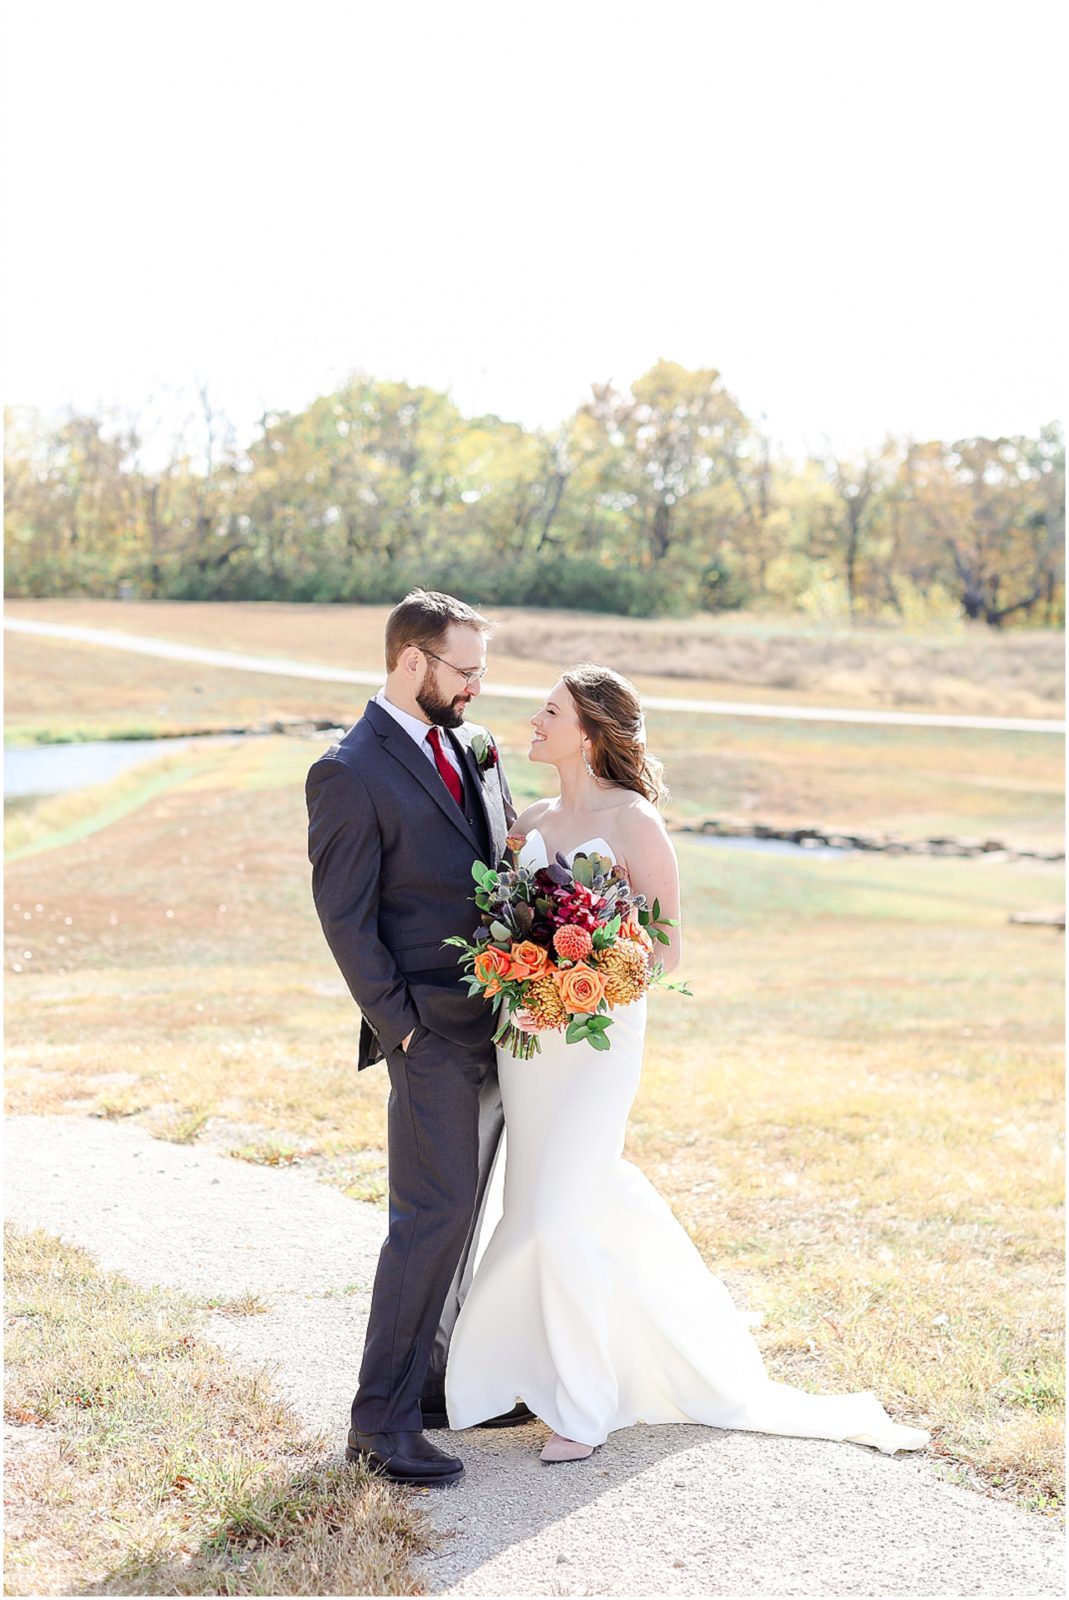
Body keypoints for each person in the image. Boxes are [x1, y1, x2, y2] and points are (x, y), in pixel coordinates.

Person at [445, 662, 932, 1464]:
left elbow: (665, 949)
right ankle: (509, 1374)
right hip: (528, 1035)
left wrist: (588, 974)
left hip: (598, 1037)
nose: (532, 722)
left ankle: (583, 1406)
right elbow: (501, 917)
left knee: (561, 1216)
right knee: (537, 1206)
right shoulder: (526, 819)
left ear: (591, 730)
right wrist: (518, 970)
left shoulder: (635, 823)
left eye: (548, 711)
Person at [305, 589, 532, 1489]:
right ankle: (379, 1422)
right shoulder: (348, 770)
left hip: (500, 1022)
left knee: (466, 1216)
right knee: (426, 1221)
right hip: (427, 1034)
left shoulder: (474, 747)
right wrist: (400, 1029)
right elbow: (345, 920)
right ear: (412, 662)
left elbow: (504, 862)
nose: (477, 688)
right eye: (465, 670)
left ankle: (435, 1385)